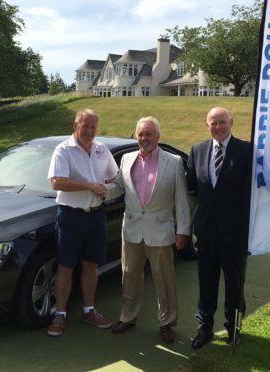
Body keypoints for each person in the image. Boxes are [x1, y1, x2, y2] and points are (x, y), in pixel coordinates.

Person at [106, 117, 191, 343]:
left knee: (165, 279)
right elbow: (118, 187)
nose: (144, 138)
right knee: (129, 276)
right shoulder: (126, 159)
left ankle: (167, 322)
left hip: (160, 231)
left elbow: (181, 200)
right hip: (132, 229)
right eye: (140, 134)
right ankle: (128, 317)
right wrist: (99, 189)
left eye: (148, 134)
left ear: (158, 137)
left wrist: (183, 230)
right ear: (136, 136)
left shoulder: (173, 162)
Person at [46, 108, 119, 337]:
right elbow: (57, 182)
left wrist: (107, 190)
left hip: (96, 214)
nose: (89, 131)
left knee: (91, 265)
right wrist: (90, 185)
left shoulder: (101, 149)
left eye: (93, 127)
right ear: (75, 125)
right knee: (66, 266)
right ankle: (60, 314)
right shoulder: (63, 150)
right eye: (85, 126)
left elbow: (115, 179)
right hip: (71, 215)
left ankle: (89, 311)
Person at [186, 107, 251, 349]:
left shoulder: (246, 151)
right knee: (206, 282)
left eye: (222, 122)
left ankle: (233, 327)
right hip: (206, 232)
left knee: (235, 283)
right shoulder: (198, 150)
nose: (218, 127)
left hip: (234, 233)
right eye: (213, 123)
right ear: (207, 125)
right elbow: (193, 187)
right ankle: (205, 329)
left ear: (231, 123)